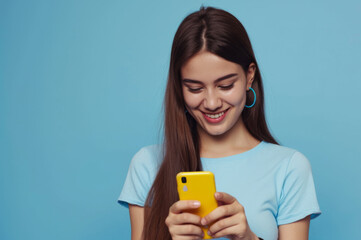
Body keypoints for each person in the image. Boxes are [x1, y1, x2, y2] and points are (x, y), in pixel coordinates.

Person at [118, 6, 321, 240]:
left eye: (225, 85)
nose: (212, 103)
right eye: (195, 88)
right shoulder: (148, 165)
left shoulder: (289, 168)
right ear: (179, 87)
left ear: (249, 76)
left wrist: (248, 237)